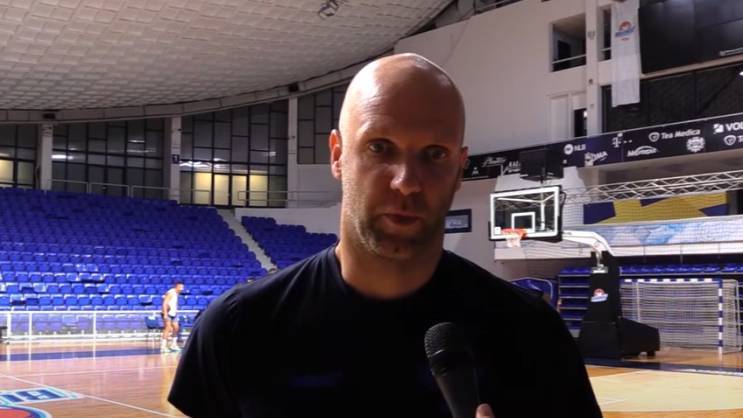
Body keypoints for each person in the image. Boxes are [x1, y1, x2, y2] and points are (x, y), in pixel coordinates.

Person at [169, 53, 601, 418]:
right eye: (380, 147)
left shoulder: (533, 335)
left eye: (434, 153)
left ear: (459, 169)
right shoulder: (236, 329)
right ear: (338, 155)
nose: (406, 181)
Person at [161, 281, 184, 353]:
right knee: (167, 329)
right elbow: (165, 303)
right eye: (180, 287)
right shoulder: (171, 292)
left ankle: (173, 345)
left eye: (182, 287)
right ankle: (163, 347)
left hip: (174, 313)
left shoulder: (177, 293)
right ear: (176, 286)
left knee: (176, 328)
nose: (182, 289)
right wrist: (165, 314)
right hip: (167, 313)